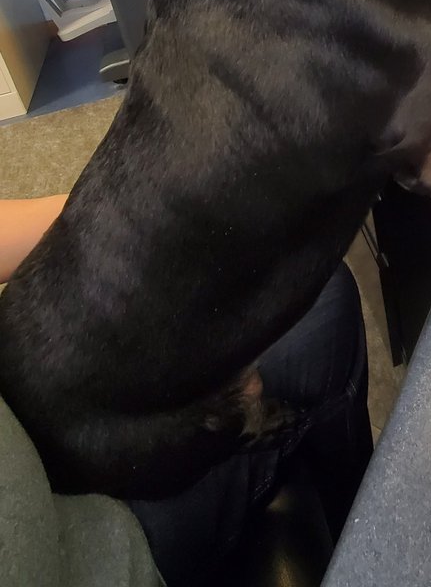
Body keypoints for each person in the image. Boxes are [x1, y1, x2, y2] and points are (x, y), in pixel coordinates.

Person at [0, 196, 373, 587]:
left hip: (32, 409)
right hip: (100, 546)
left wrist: (142, 209)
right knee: (323, 303)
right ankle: (379, 529)